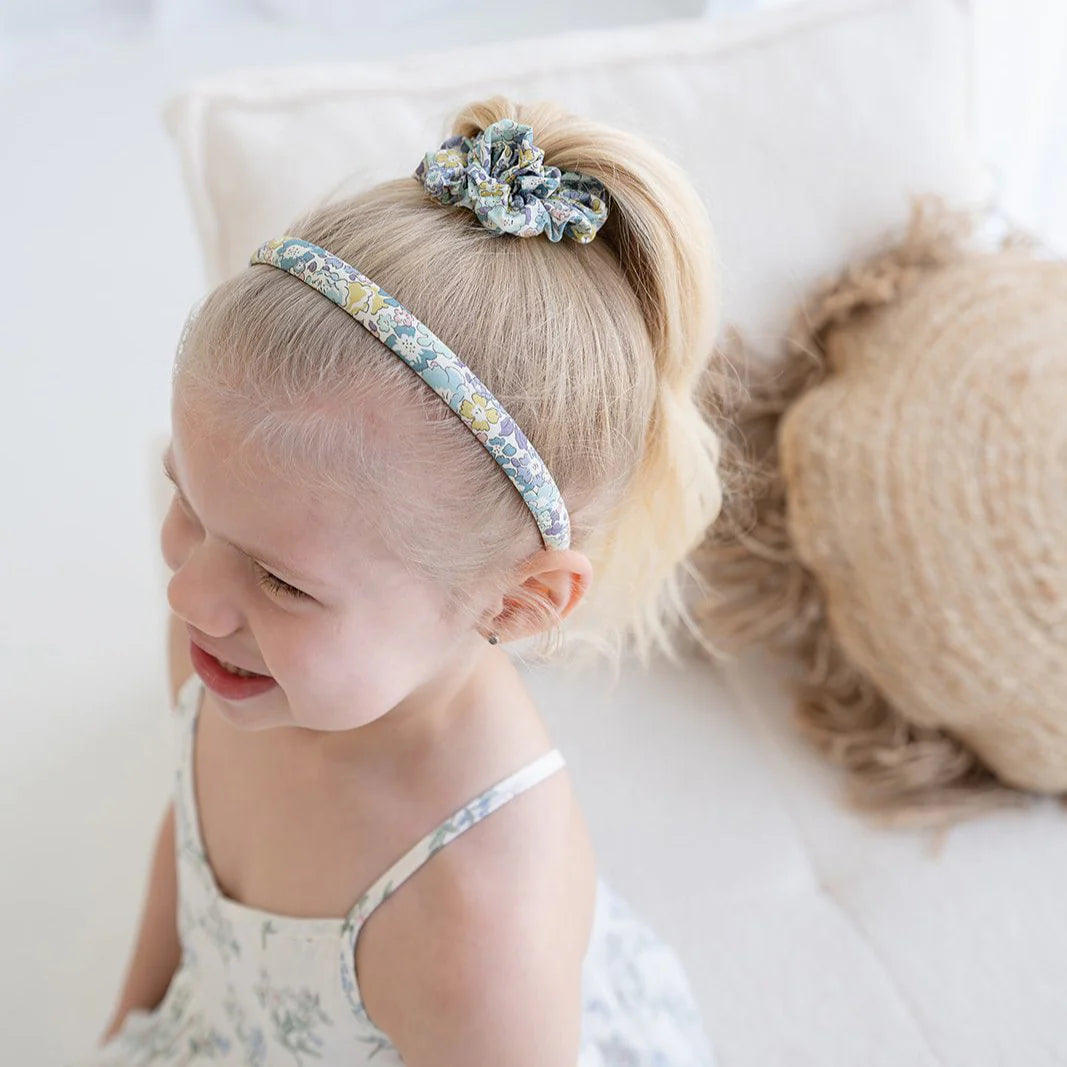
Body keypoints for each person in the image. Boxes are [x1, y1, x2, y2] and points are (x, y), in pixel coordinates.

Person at [80, 95, 729, 1066]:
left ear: (517, 601)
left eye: (281, 581)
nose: (187, 595)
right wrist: (124, 1025)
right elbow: (189, 836)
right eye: (189, 502)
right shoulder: (227, 647)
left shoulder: (474, 919)